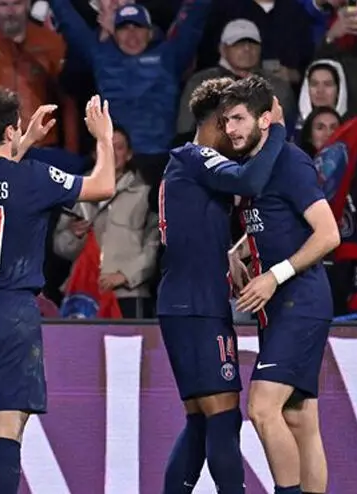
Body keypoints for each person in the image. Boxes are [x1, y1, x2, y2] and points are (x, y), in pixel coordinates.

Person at [0, 88, 116, 494]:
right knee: (7, 427)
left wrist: (25, 140)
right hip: (11, 311)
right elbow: (103, 186)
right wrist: (103, 138)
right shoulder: (32, 177)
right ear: (10, 130)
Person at [157, 76, 286, 494]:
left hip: (186, 301)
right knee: (223, 417)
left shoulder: (185, 164)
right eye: (230, 120)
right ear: (216, 121)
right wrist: (275, 130)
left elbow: (193, 227)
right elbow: (250, 181)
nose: (234, 130)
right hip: (196, 306)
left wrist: (226, 254)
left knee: (200, 420)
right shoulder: (198, 157)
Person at [224, 77, 340, 494]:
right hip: (280, 306)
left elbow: (328, 234)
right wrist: (238, 252)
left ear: (264, 119)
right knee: (300, 419)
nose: (231, 128)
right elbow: (273, 222)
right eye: (226, 120)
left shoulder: (289, 161)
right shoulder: (253, 168)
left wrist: (274, 276)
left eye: (239, 118)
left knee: (261, 407)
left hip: (300, 301)